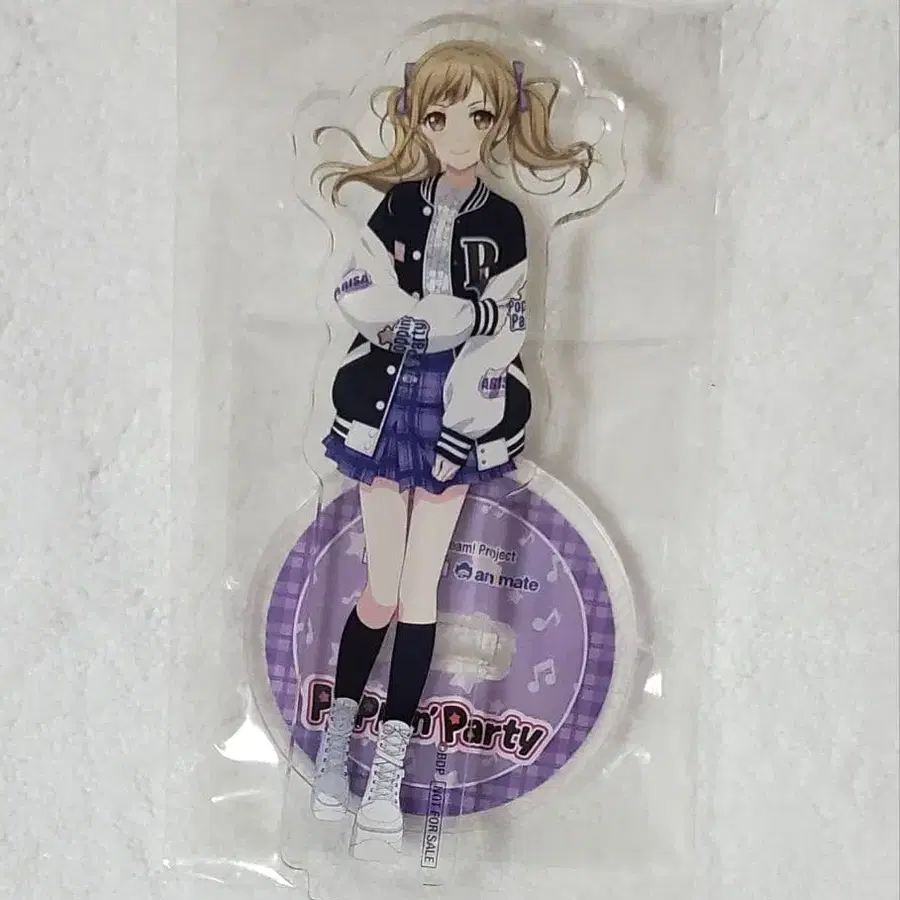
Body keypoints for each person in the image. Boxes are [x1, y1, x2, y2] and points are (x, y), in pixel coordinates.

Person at [309, 39, 594, 851]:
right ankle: (336, 746)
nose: (461, 133)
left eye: (478, 115)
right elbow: (359, 288)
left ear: (500, 121)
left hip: (461, 406)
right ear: (417, 120)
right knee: (382, 591)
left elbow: (505, 328)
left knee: (420, 593)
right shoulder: (396, 206)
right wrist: (420, 321)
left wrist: (462, 407)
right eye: (441, 117)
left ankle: (388, 771)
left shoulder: (505, 221)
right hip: (383, 401)